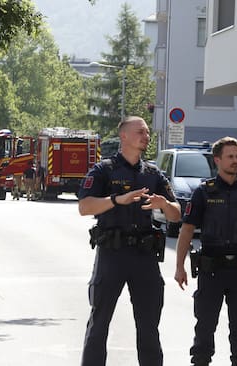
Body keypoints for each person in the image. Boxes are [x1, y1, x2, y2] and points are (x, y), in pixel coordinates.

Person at [78, 116, 181, 366]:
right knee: (100, 322)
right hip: (112, 254)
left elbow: (177, 214)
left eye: (147, 132)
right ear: (124, 136)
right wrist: (116, 200)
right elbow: (84, 206)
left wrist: (164, 205)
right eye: (140, 132)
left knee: (149, 327)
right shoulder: (104, 170)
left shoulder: (153, 173)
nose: (146, 136)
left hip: (144, 256)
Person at [174, 136, 237, 366]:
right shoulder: (204, 192)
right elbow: (187, 229)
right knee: (204, 329)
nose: (235, 161)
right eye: (229, 157)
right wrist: (179, 265)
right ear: (217, 160)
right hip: (211, 270)